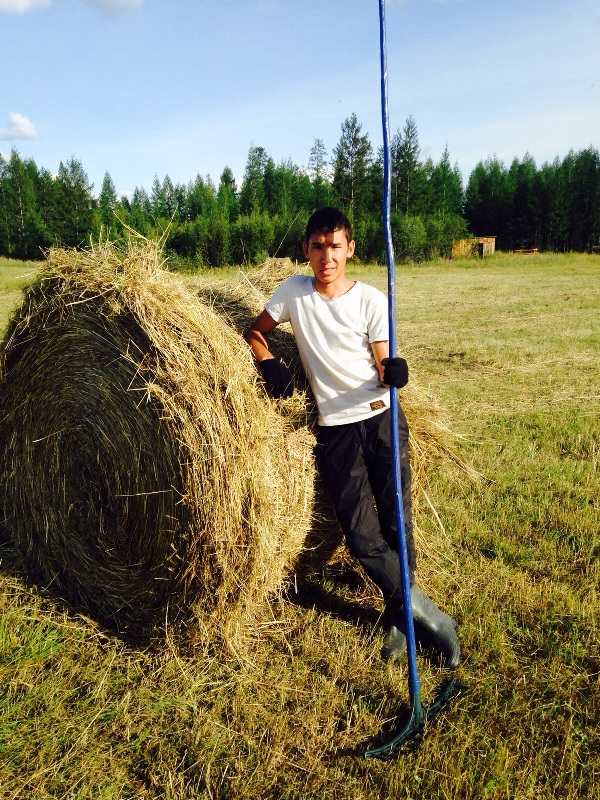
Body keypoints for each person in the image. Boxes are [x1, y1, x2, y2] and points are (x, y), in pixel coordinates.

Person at [245, 207, 460, 668]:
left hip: (382, 420)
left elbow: (383, 364)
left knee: (396, 522)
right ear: (306, 250)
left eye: (335, 247)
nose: (327, 257)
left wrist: (395, 371)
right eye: (318, 247)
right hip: (335, 430)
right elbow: (255, 332)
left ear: (350, 250)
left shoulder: (370, 300)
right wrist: (268, 361)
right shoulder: (292, 292)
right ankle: (429, 614)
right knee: (361, 535)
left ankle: (399, 618)